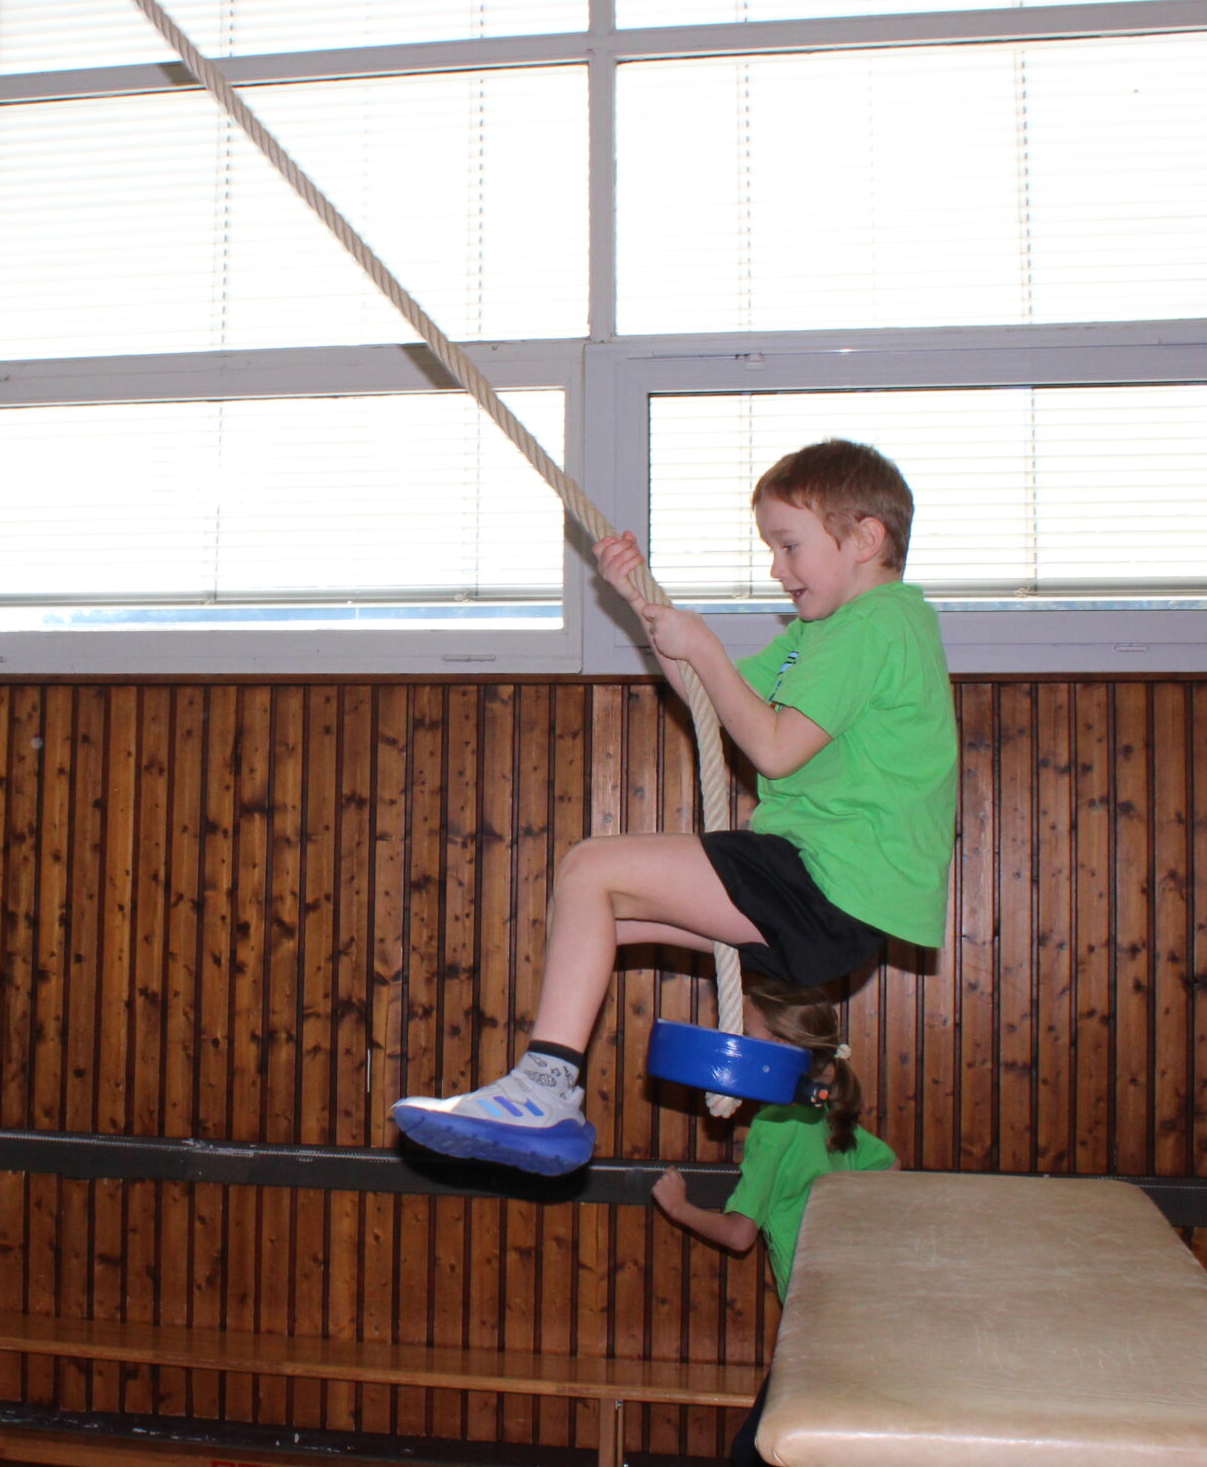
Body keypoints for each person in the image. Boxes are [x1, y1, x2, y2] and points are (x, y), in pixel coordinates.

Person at [389, 439, 957, 1175]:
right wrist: (644, 605)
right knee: (597, 905)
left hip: (831, 883)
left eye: (789, 546)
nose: (777, 569)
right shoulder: (817, 638)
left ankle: (543, 1085)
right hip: (827, 901)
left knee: (591, 865)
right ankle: (546, 1110)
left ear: (865, 538)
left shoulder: (879, 622)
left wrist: (711, 649)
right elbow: (702, 691)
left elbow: (776, 749)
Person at [647, 988, 897, 1467]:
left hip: (819, 1325)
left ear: (782, 1049)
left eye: (751, 1034)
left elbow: (739, 1235)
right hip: (850, 1314)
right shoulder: (824, 1111)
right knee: (778, 1449)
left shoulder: (777, 1127)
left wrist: (680, 1207)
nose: (739, 1042)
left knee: (754, 1454)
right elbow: (888, 1166)